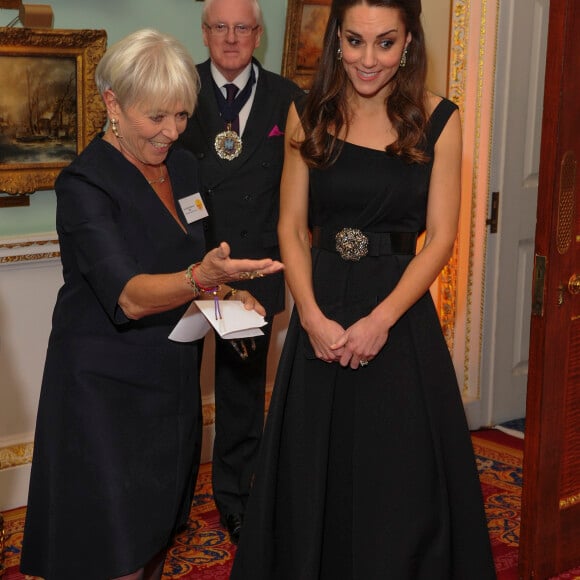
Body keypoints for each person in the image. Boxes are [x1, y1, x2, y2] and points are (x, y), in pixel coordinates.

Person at [231, 0, 497, 578]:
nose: (367, 58)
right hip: (320, 308)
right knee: (312, 470)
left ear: (407, 43)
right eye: (355, 41)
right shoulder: (307, 113)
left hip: (398, 316)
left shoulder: (439, 120)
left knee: (399, 475)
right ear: (336, 42)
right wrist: (311, 315)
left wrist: (381, 321)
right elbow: (291, 227)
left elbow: (442, 239)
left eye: (384, 42)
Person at [19, 28, 283, 580]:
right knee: (114, 551)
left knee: (156, 532)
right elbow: (132, 296)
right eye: (157, 117)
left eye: (182, 116)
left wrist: (232, 295)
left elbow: (194, 262)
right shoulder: (84, 185)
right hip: (103, 390)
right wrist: (200, 276)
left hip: (171, 384)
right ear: (113, 103)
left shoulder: (183, 167)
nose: (172, 131)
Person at [177, 0, 303, 545]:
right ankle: (170, 503)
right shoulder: (178, 90)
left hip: (251, 274)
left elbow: (302, 189)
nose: (232, 39)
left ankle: (236, 500)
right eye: (220, 28)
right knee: (175, 394)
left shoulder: (287, 98)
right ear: (204, 34)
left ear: (259, 35)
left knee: (240, 398)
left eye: (243, 29)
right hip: (183, 267)